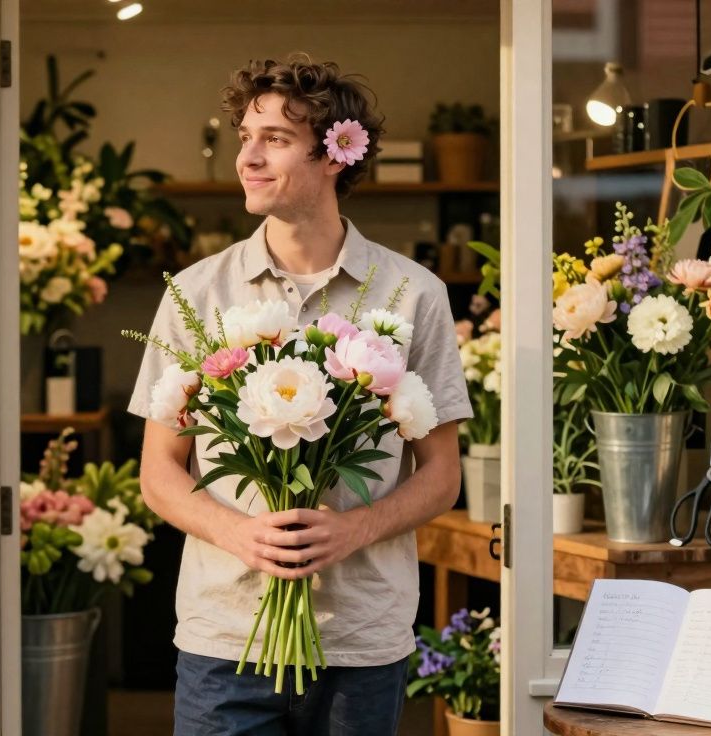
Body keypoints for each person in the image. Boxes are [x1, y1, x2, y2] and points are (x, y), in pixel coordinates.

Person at [127, 53, 472, 735]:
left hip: (362, 637)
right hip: (224, 638)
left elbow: (442, 475)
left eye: (275, 140)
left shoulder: (414, 296)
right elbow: (158, 471)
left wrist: (353, 529)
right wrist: (243, 535)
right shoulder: (197, 296)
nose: (248, 158)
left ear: (337, 154)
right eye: (245, 139)